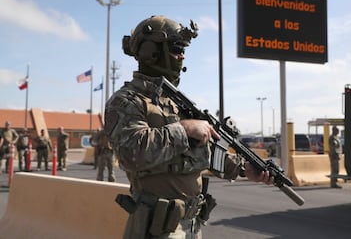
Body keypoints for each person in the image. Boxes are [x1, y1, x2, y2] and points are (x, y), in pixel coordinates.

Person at [104, 15, 273, 238]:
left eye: (183, 49)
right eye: (176, 48)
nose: (182, 56)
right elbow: (130, 153)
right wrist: (184, 130)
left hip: (190, 225)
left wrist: (243, 169)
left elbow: (203, 153)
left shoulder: (175, 103)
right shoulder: (127, 101)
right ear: (150, 51)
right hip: (156, 228)